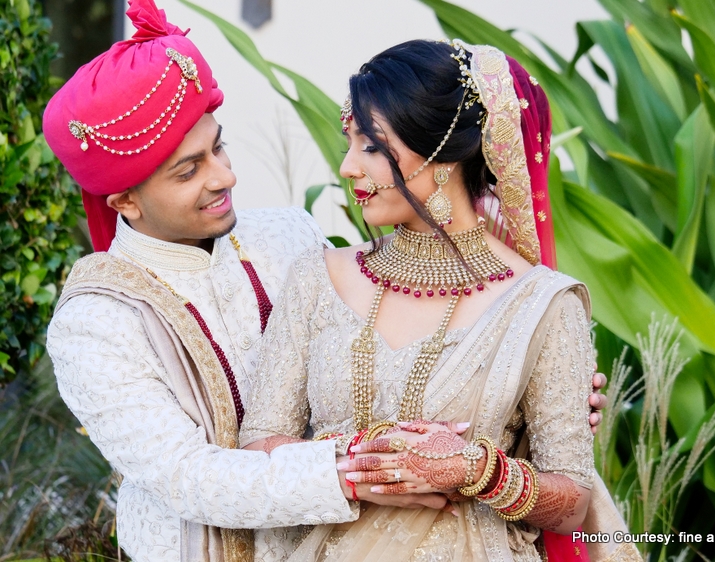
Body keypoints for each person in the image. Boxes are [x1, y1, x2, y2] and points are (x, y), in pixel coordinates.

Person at [43, 2, 607, 561]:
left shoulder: (288, 237)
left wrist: (540, 399)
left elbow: (557, 475)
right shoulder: (96, 322)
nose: (226, 175)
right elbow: (191, 476)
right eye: (189, 171)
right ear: (125, 202)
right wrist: (370, 464)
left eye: (219, 147)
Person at [240, 40, 639, 561]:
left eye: (372, 147)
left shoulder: (540, 303)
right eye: (350, 144)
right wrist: (356, 465)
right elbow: (258, 447)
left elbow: (572, 505)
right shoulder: (318, 277)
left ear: (443, 155)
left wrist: (478, 469)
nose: (347, 169)